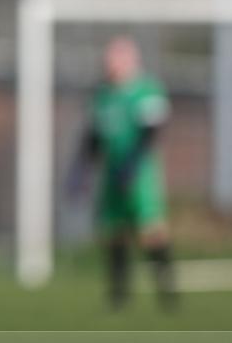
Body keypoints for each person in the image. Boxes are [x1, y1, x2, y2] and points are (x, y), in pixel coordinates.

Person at [67, 36, 176, 310]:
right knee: (114, 231)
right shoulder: (103, 95)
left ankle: (167, 292)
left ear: (130, 60)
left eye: (115, 59)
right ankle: (119, 294)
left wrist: (132, 165)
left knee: (151, 230)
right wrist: (80, 171)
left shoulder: (146, 90)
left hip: (140, 173)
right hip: (111, 171)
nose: (109, 65)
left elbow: (150, 134)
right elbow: (93, 137)